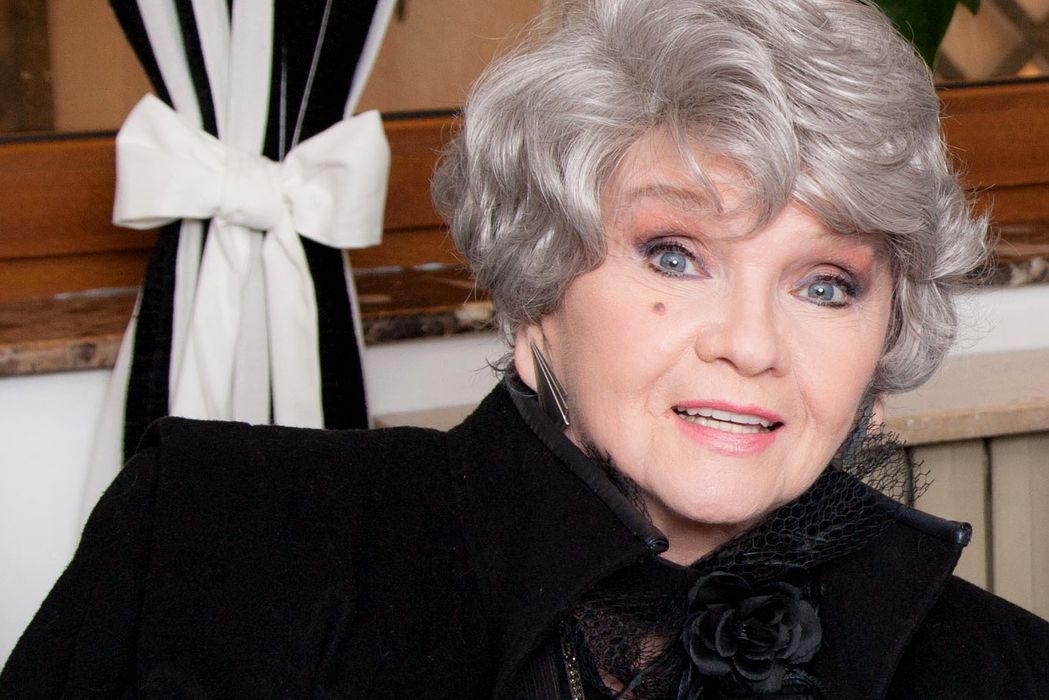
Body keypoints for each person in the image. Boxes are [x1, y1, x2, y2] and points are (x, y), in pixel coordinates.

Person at [3, 0, 1049, 697]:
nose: (748, 344)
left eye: (825, 284)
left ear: (881, 351)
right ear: (539, 291)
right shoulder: (211, 538)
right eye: (674, 254)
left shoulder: (1005, 669)